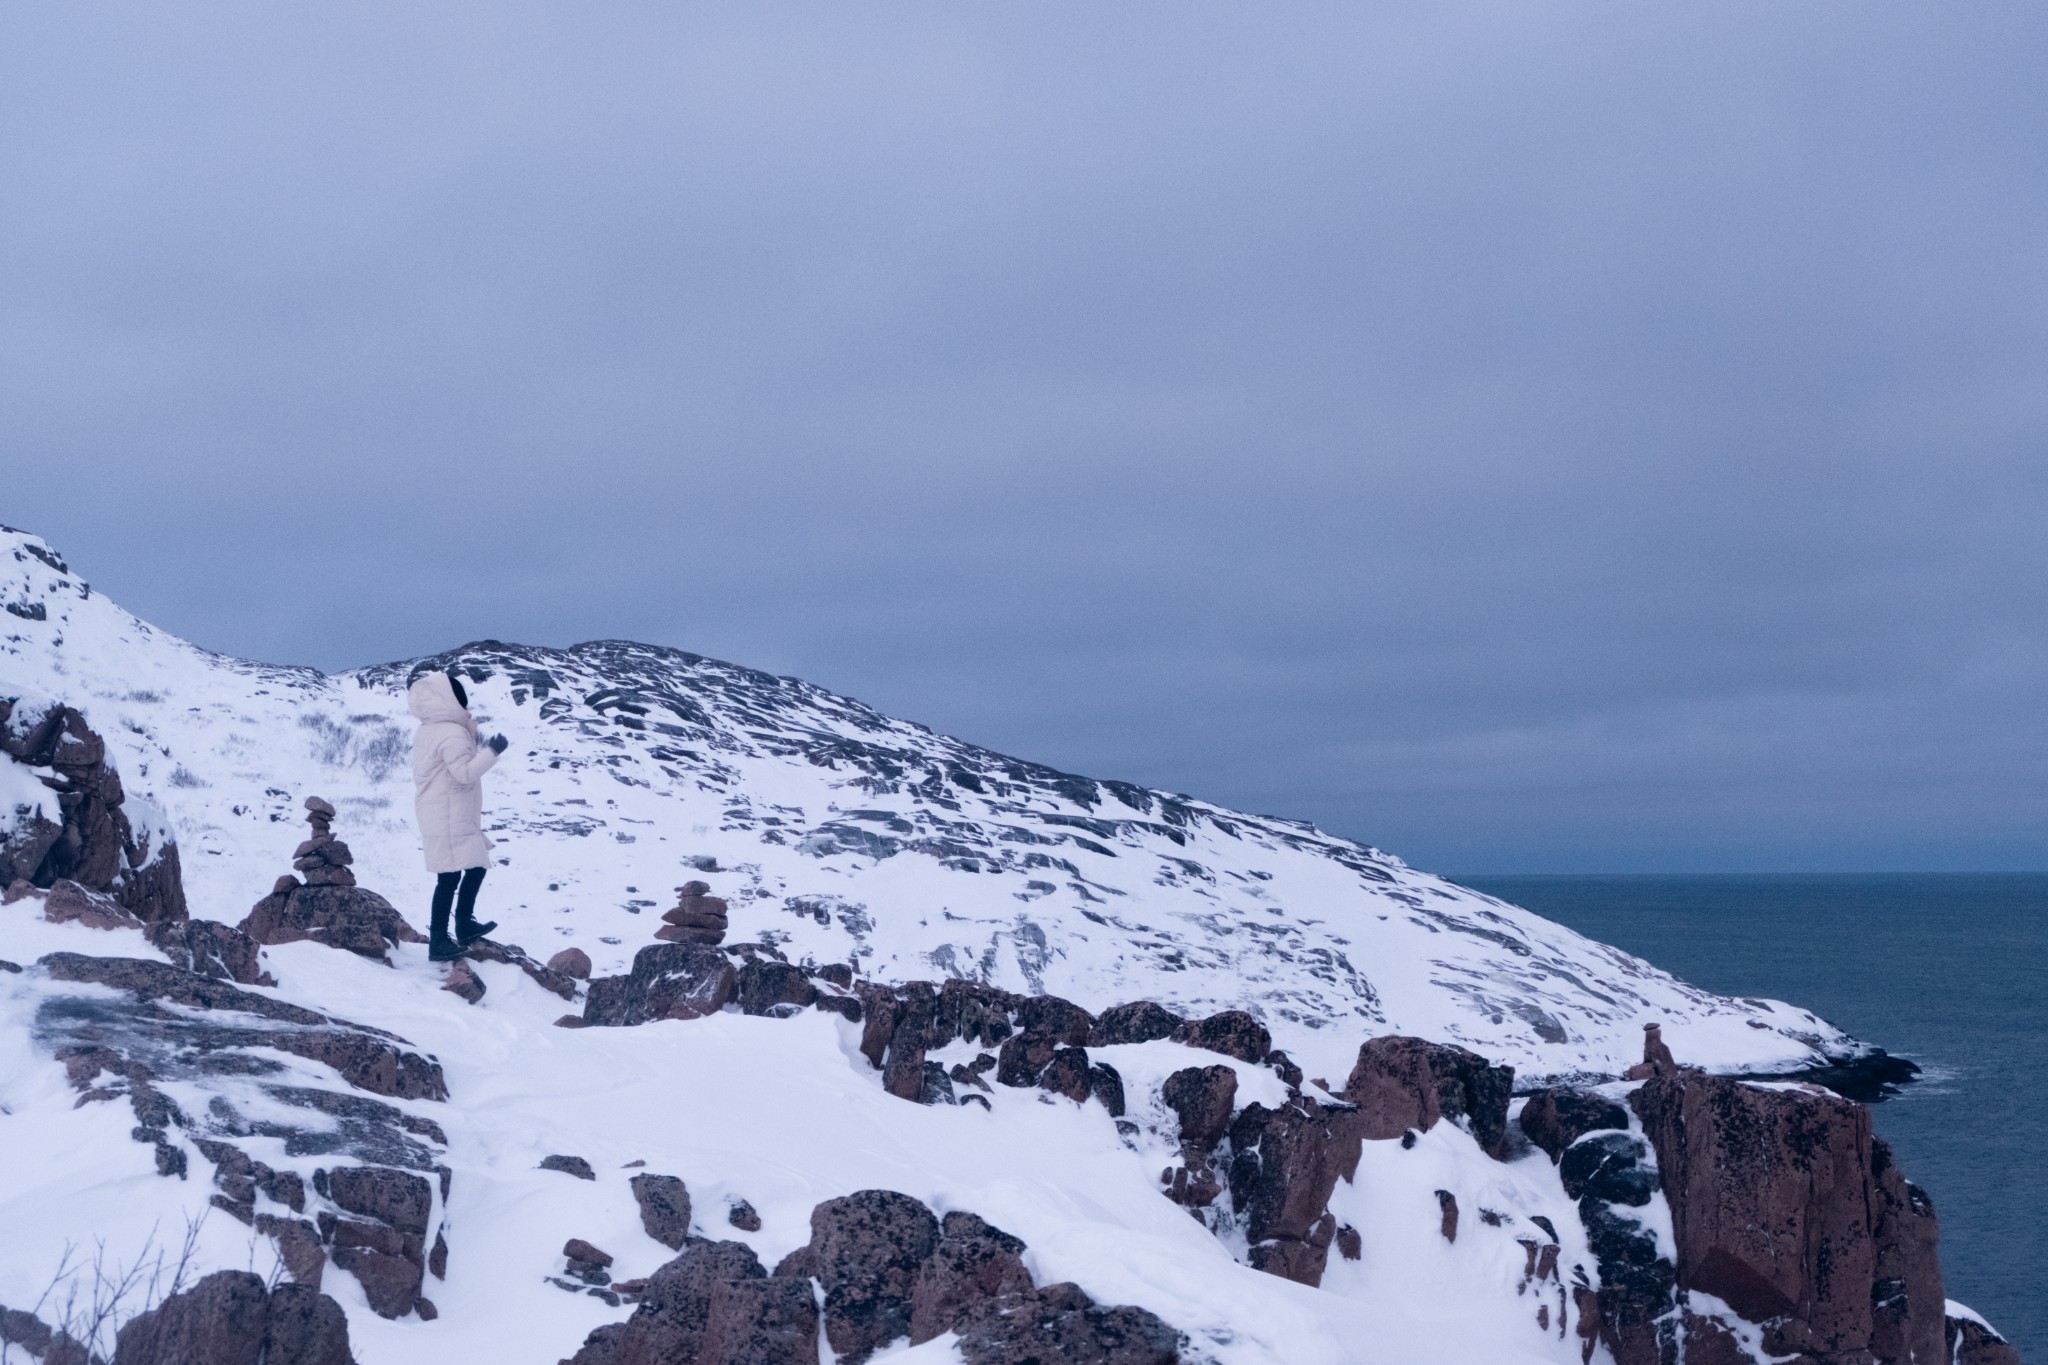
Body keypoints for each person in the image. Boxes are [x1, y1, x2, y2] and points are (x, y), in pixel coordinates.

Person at [407, 668, 509, 961]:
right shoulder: (451, 733)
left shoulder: (428, 729)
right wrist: (492, 750)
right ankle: (443, 936)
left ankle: (461, 926)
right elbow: (464, 774)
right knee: (452, 876)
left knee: (468, 868)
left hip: (442, 812)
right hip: (449, 814)